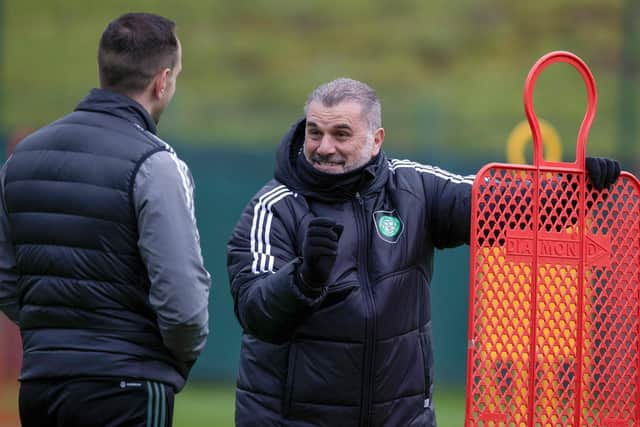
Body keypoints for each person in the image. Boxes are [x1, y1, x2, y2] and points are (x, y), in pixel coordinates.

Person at [226, 77, 620, 426]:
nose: (324, 147)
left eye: (341, 134)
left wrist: (573, 193)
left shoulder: (413, 187)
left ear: (376, 139)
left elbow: (502, 204)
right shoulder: (274, 207)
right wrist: (304, 277)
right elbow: (255, 312)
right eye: (315, 133)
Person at [0, 13, 211, 427]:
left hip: (42, 387)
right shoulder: (157, 164)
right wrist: (168, 360)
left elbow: (6, 282)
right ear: (162, 81)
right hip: (128, 387)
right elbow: (184, 307)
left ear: (105, 70)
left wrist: (54, 338)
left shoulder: (18, 160)